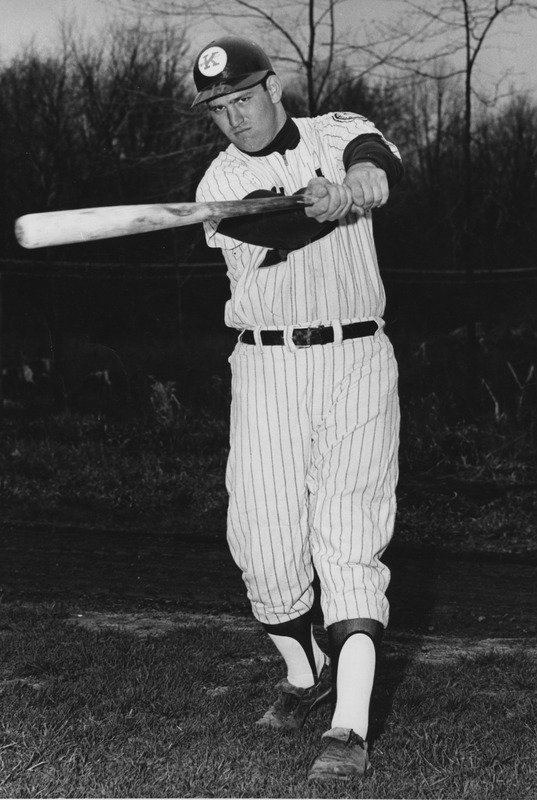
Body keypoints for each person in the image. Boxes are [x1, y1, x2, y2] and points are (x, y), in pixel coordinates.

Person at [192, 35, 403, 781]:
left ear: (273, 87)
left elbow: (379, 160)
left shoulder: (335, 130)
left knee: (347, 533)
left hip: (355, 359)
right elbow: (275, 222)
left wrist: (359, 183)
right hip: (267, 366)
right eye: (217, 109)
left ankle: (347, 729)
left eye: (242, 99)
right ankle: (304, 672)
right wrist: (323, 204)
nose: (234, 118)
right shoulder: (216, 184)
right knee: (262, 541)